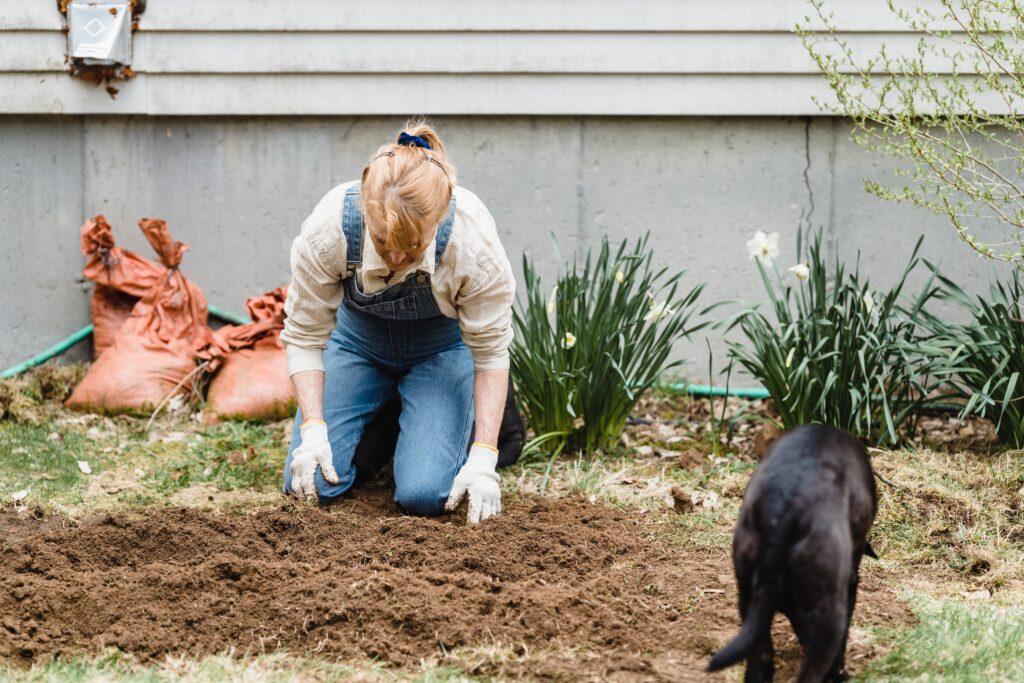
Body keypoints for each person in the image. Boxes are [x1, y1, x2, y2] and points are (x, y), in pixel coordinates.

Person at [279, 120, 516, 524]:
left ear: (438, 221)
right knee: (312, 486)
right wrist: (314, 430)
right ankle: (392, 414)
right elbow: (304, 335)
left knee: (425, 496)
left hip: (440, 350)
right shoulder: (331, 228)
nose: (395, 260)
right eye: (383, 243)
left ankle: (455, 416)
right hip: (357, 343)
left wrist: (484, 457)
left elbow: (491, 353)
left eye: (412, 248)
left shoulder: (472, 243)